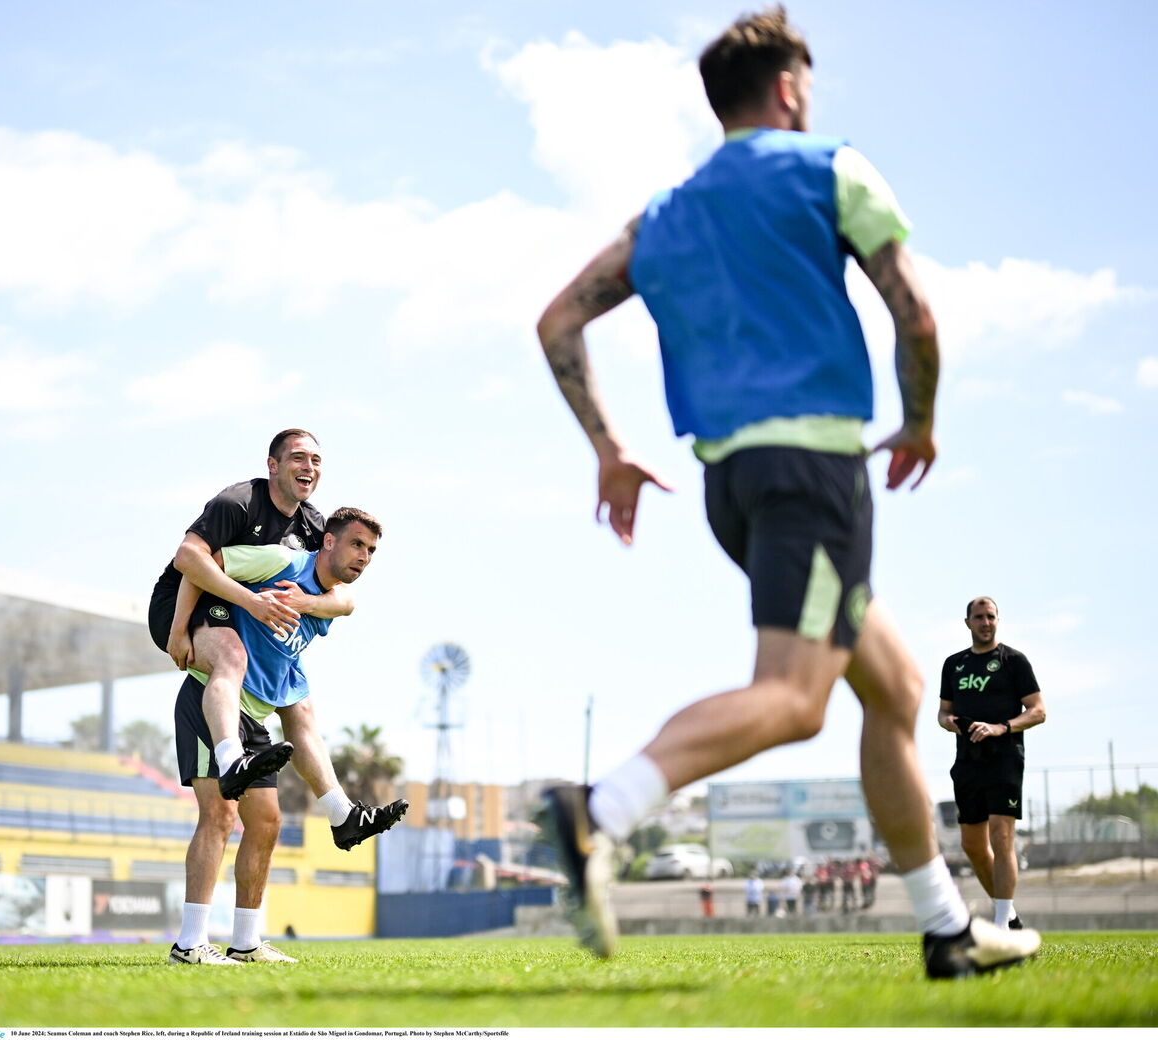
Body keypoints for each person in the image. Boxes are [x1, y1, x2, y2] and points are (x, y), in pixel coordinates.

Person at [532, 7, 1040, 978]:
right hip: (812, 475)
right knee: (797, 700)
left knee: (892, 688)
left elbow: (559, 320)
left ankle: (946, 927)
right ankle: (594, 811)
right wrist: (921, 418)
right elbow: (918, 315)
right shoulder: (831, 168)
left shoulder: (667, 212)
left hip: (734, 483)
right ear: (792, 88)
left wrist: (609, 448)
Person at [168, 507, 407, 965]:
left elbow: (343, 605)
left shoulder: (328, 600)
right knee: (218, 817)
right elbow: (202, 564)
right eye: (357, 544)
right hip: (211, 701)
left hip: (257, 717)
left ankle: (245, 943)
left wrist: (310, 603)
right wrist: (180, 629)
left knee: (268, 824)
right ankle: (189, 943)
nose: (365, 557)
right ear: (329, 542)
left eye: (372, 551)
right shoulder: (281, 561)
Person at [149, 429, 392, 851]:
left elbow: (341, 592)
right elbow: (189, 560)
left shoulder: (315, 525)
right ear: (273, 465)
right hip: (183, 604)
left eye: (316, 461)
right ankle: (231, 759)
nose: (309, 468)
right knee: (232, 653)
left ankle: (342, 814)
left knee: (299, 703)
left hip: (238, 606)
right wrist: (178, 633)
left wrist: (307, 605)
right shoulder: (239, 501)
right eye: (298, 458)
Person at [939, 595, 1046, 929]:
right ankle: (1010, 915)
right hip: (968, 761)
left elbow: (1038, 710)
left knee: (1002, 838)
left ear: (998, 620)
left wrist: (1001, 728)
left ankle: (1000, 924)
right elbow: (943, 713)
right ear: (967, 622)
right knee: (972, 846)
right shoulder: (954, 664)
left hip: (1005, 760)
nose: (986, 623)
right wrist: (952, 723)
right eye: (979, 617)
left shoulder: (1014, 661)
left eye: (991, 617)